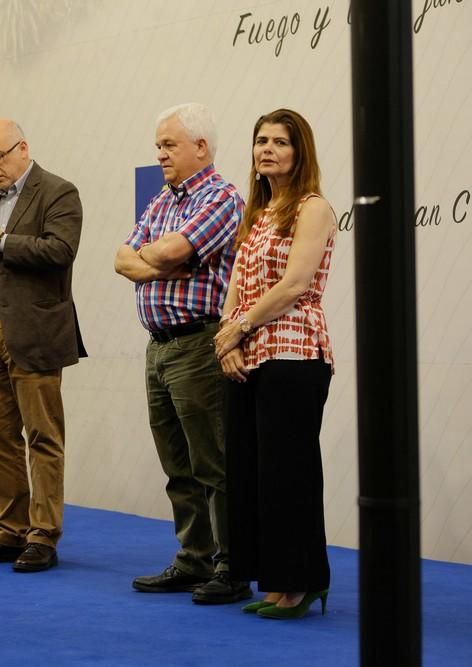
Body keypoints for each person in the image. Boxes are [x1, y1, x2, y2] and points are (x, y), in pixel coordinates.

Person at [113, 102, 248, 604]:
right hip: (160, 346)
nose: (160, 153)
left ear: (201, 147)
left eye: (169, 145)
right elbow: (121, 259)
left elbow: (168, 252)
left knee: (212, 461)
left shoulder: (222, 197)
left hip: (197, 343)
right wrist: (162, 260)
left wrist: (161, 258)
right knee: (177, 463)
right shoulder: (162, 201)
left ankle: (232, 565)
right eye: (158, 145)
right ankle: (194, 558)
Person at [0, 119, 85, 573]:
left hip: (34, 329)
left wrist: (2, 240)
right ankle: (8, 529)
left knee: (42, 435)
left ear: (23, 148)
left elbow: (60, 251)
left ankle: (43, 534)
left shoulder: (58, 192)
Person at [213, 108, 336, 619]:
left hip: (294, 351)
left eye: (280, 142)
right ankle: (272, 578)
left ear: (298, 151)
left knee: (289, 473)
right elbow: (237, 286)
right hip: (248, 354)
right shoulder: (256, 213)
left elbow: (294, 285)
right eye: (260, 141)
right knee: (250, 471)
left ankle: (301, 583)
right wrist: (228, 339)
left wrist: (240, 327)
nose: (267, 149)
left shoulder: (313, 208)